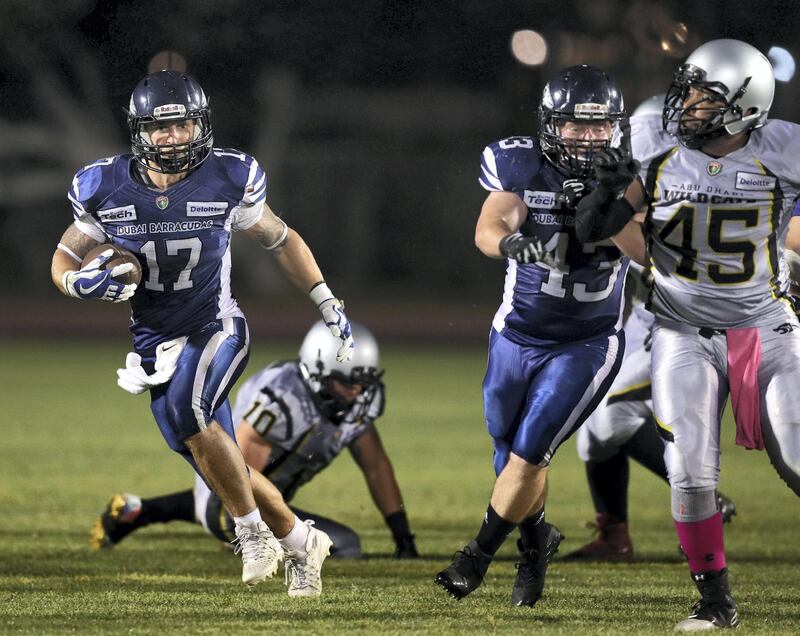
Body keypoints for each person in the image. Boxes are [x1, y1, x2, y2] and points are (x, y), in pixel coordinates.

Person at [50, 70, 355, 597]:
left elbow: (281, 239)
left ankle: (252, 532)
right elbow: (65, 255)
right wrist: (77, 285)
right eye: (161, 128)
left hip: (215, 326)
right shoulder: (103, 185)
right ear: (139, 131)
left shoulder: (229, 178)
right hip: (152, 344)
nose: (174, 138)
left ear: (201, 125)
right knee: (213, 455)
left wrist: (325, 298)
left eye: (184, 125)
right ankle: (303, 540)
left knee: (192, 416)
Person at [574, 39, 800, 630]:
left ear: (746, 104)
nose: (689, 104)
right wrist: (606, 190)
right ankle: (714, 601)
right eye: (690, 88)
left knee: (797, 458)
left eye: (706, 95)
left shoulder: (785, 149)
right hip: (680, 328)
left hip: (765, 326)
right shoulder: (652, 144)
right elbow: (594, 227)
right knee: (691, 470)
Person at [434, 65, 630, 607]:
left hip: (586, 343)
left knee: (531, 450)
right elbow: (492, 221)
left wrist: (609, 206)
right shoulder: (519, 163)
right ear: (550, 125)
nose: (589, 137)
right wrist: (508, 244)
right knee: (506, 446)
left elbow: (646, 250)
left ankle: (477, 556)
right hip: (516, 335)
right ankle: (537, 538)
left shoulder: (634, 175)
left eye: (600, 126)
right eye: (575, 125)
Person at [89, 321, 420, 560]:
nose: (357, 393)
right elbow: (236, 475)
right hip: (233, 498)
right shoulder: (285, 398)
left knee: (256, 499)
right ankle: (239, 536)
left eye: (363, 383)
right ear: (318, 371)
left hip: (250, 493)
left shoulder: (352, 404)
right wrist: (254, 533)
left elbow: (376, 466)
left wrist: (403, 538)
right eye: (347, 382)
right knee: (345, 545)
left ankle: (138, 512)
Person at [568, 266, 736, 561]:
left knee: (610, 415)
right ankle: (614, 538)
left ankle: (703, 501)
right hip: (645, 317)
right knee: (593, 433)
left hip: (687, 321)